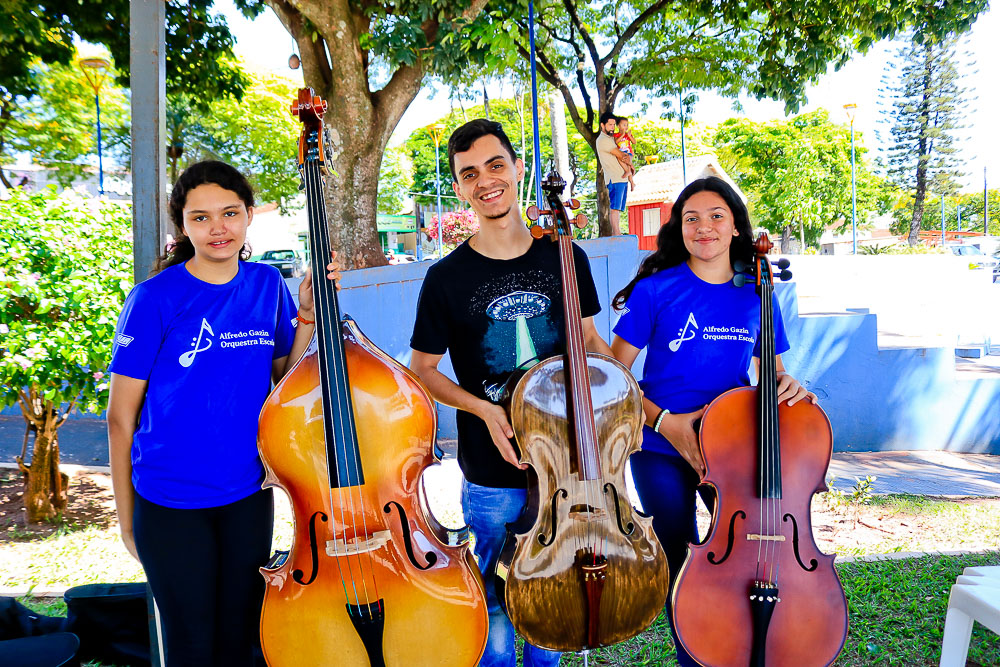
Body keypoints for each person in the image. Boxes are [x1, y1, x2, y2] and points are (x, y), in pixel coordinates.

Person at [106, 160, 339, 666]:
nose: (218, 228)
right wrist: (127, 522)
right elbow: (120, 418)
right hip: (169, 502)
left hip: (247, 495)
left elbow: (285, 383)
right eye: (201, 217)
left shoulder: (266, 284)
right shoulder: (153, 299)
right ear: (183, 225)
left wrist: (306, 316)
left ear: (249, 215)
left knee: (242, 640)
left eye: (230, 213)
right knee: (192, 647)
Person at [409, 119, 613, 667]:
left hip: (570, 464)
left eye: (495, 165)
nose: (485, 181)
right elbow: (423, 370)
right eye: (469, 174)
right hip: (492, 471)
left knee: (555, 597)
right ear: (459, 189)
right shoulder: (445, 278)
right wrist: (482, 409)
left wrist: (623, 395)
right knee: (497, 606)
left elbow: (590, 342)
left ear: (519, 169)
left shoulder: (566, 255)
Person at [608, 176, 814, 667]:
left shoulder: (758, 292)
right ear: (679, 229)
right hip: (660, 445)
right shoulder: (655, 290)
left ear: (736, 227)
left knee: (746, 553)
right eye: (692, 218)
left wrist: (788, 384)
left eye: (717, 216)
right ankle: (694, 658)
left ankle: (745, 651)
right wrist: (666, 422)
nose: (704, 227)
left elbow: (773, 374)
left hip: (732, 446)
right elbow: (614, 378)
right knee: (680, 559)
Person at [596, 111, 629, 234]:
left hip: (621, 178)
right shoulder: (603, 140)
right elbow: (621, 155)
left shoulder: (612, 138)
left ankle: (617, 233)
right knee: (615, 208)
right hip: (614, 178)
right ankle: (617, 233)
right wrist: (629, 160)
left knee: (618, 209)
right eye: (610, 125)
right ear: (602, 125)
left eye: (614, 125)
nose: (612, 127)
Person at [613, 116, 636, 191]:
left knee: (627, 162)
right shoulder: (616, 135)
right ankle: (632, 182)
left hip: (628, 152)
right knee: (620, 159)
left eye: (627, 125)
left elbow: (634, 142)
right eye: (624, 125)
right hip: (621, 153)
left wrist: (629, 136)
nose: (626, 127)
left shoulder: (628, 135)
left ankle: (628, 171)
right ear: (618, 126)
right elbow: (616, 142)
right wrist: (622, 135)